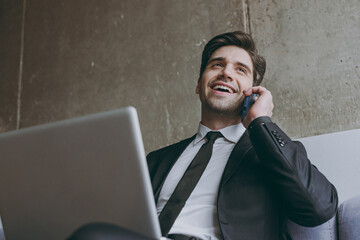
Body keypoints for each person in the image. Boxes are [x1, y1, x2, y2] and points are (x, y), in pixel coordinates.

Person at [69, 31, 338, 240]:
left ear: (253, 91)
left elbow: (319, 208)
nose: (226, 73)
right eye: (217, 65)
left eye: (240, 69)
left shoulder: (269, 152)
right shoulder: (157, 161)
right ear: (199, 84)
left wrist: (261, 122)